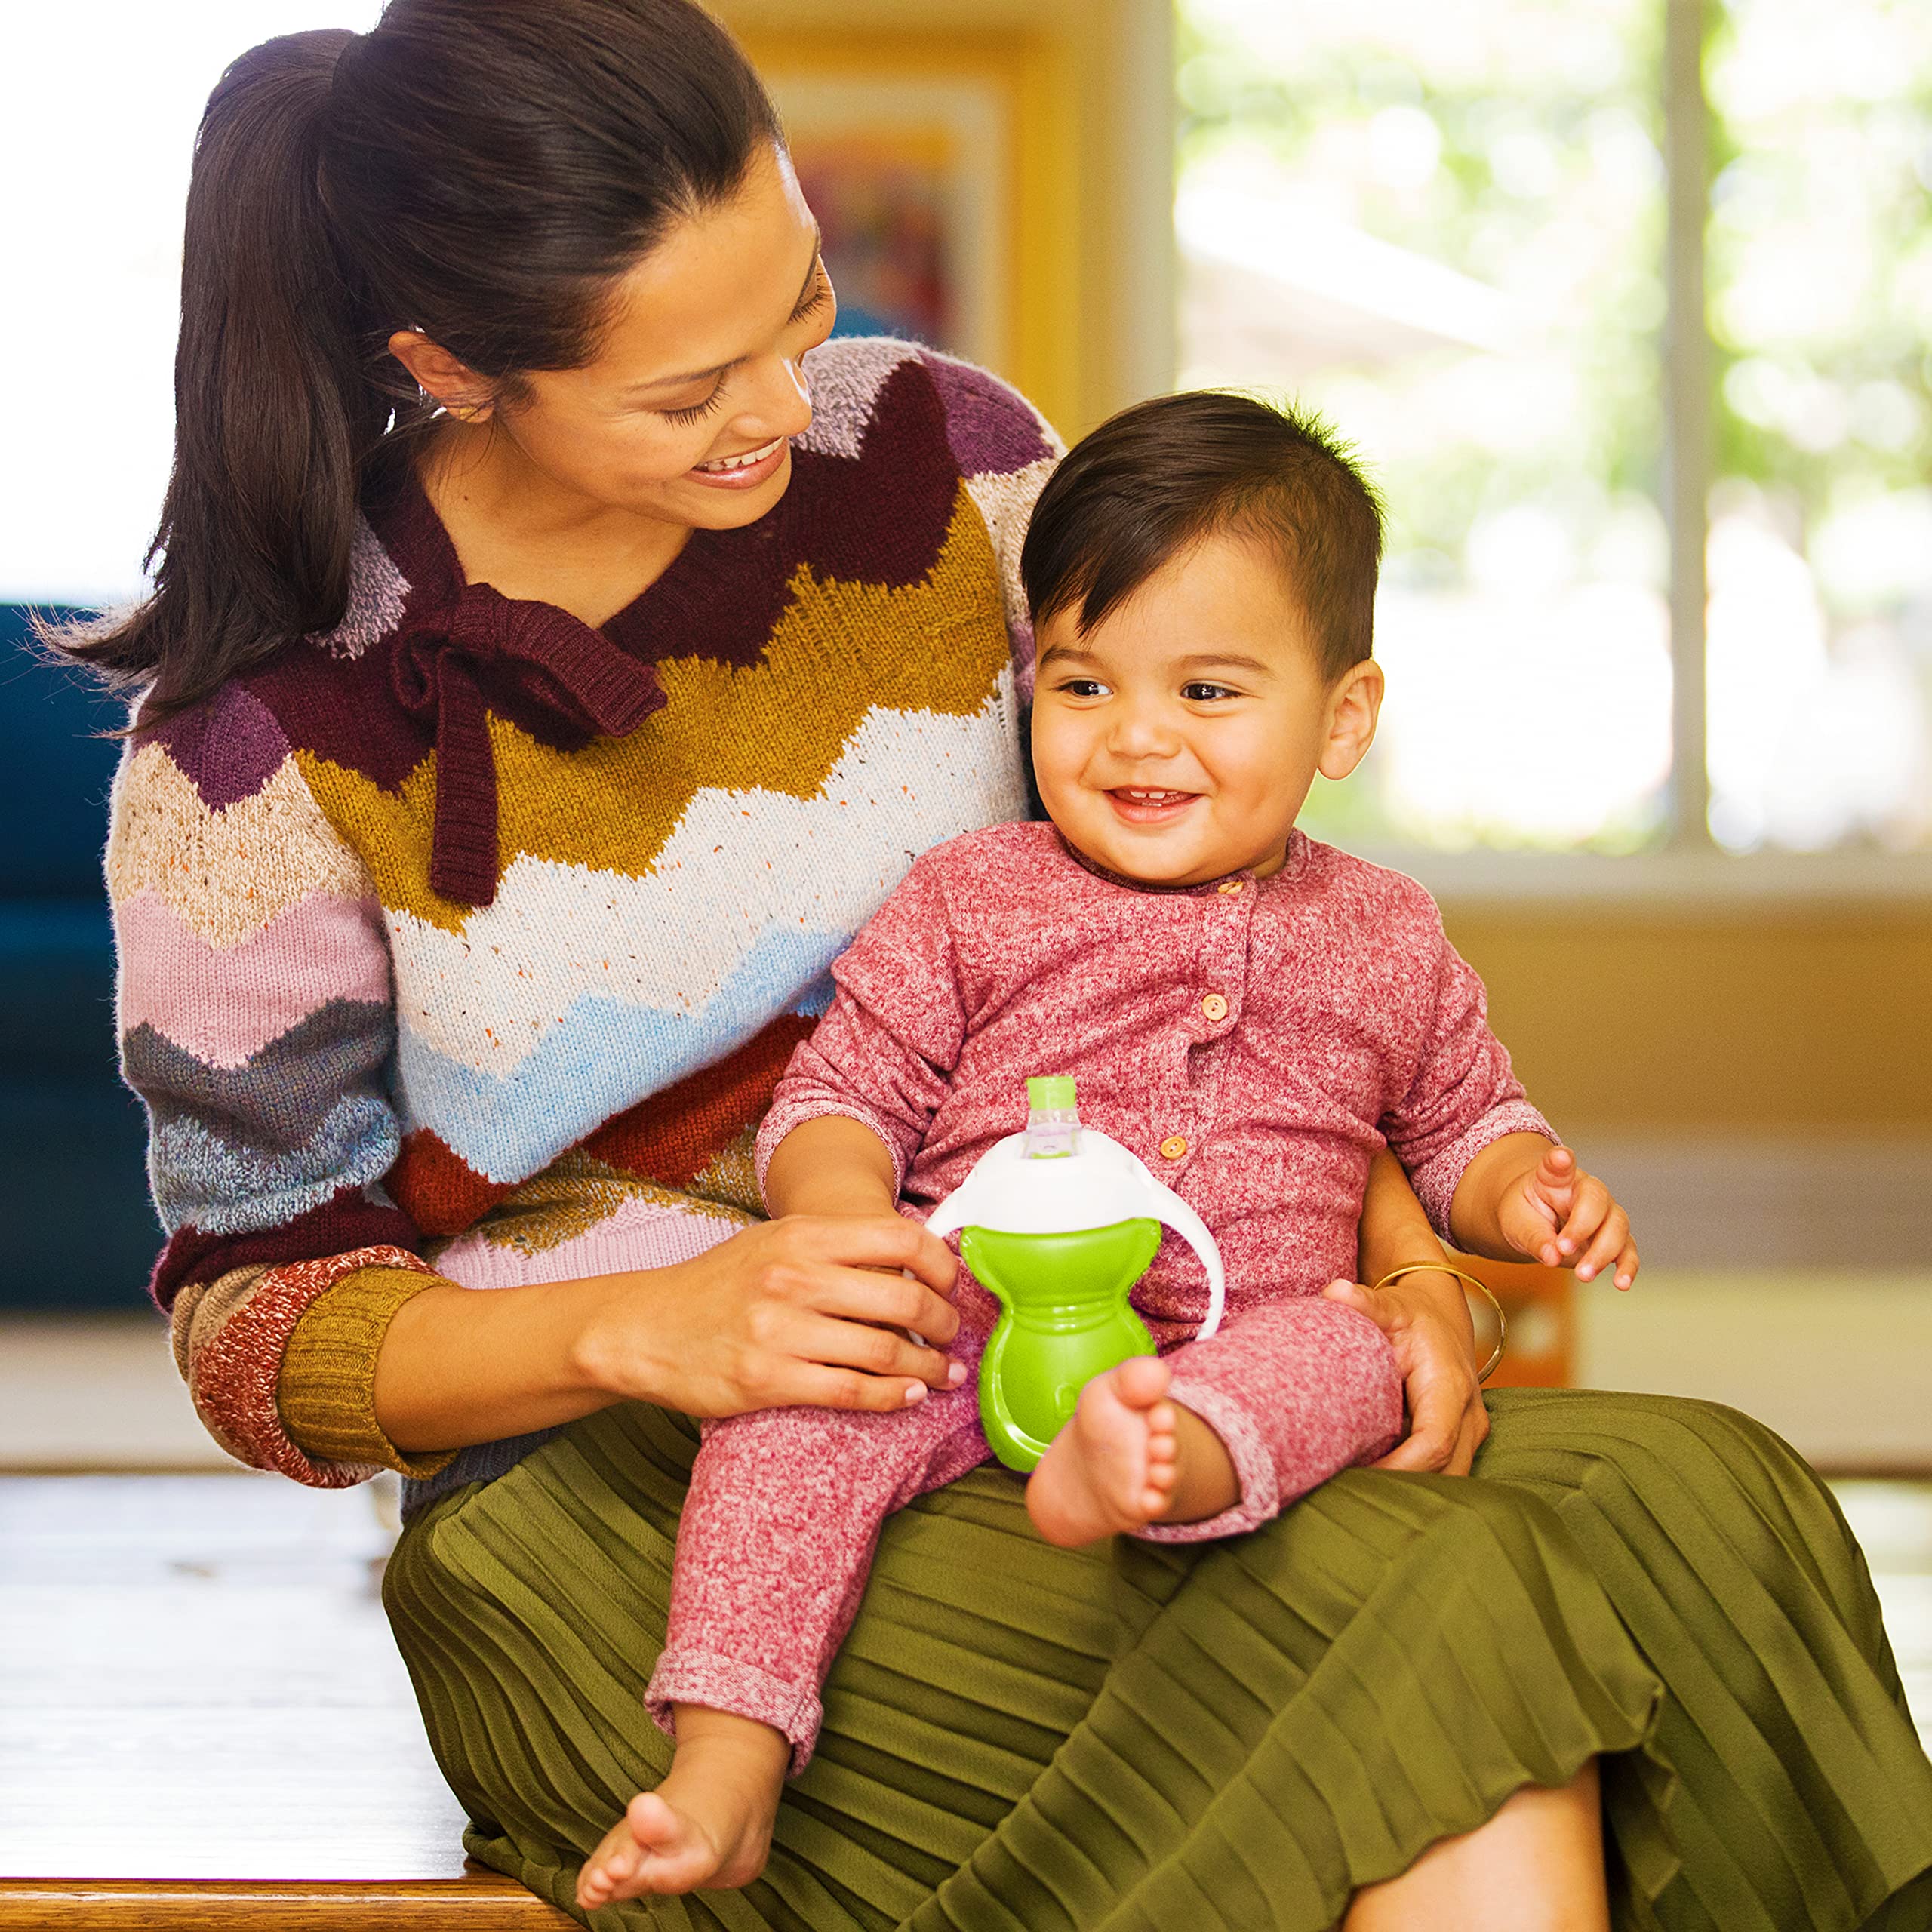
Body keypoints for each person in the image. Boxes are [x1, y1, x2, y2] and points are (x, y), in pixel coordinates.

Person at [64, 2, 1931, 1927]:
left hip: (1094, 1348)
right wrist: (651, 1324)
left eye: (797, 304)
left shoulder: (945, 466)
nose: (786, 409)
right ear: (451, 366)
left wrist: (1402, 1281)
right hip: (627, 1496)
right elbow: (252, 1317)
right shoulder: (256, 748)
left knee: (1707, 1496)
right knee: (1444, 1610)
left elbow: (1210, 931)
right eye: (687, 389)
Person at [580, 392, 1648, 1909]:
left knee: (1359, 1356)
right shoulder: (972, 895)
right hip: (961, 1318)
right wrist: (840, 1228)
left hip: (1244, 1331)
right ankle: (726, 1753)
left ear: (1340, 715)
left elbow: (1465, 1114)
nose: (1134, 735)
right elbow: (840, 1093)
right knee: (789, 1422)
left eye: (1208, 690)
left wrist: (1523, 1188)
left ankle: (1158, 1458)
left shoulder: (1384, 932)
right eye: (1083, 683)